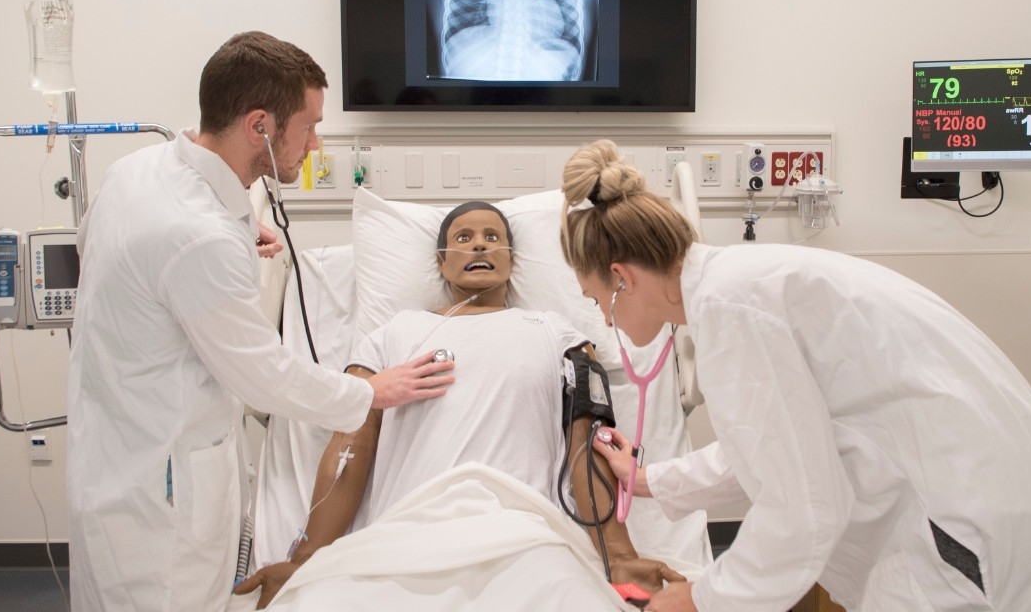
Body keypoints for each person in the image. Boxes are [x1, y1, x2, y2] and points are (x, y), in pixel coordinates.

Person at [559, 139, 1031, 612]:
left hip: (961, 522)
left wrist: (698, 599)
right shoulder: (742, 286)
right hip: (1003, 490)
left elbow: (804, 513)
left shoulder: (731, 311)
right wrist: (652, 478)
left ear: (620, 277)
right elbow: (777, 445)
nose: (603, 320)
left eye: (595, 301)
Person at [67, 31, 453, 612]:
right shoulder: (200, 238)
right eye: (309, 126)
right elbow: (262, 377)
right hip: (165, 497)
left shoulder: (136, 172)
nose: (316, 144)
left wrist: (237, 232)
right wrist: (368, 391)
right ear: (259, 127)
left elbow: (111, 249)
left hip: (112, 457)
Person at [236, 202, 683, 609]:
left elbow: (590, 446)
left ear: (512, 262)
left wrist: (620, 554)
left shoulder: (558, 334)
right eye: (463, 238)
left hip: (523, 536)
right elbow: (351, 445)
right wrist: (307, 559)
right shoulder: (392, 335)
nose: (479, 244)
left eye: (493, 236)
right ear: (441, 263)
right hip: (403, 537)